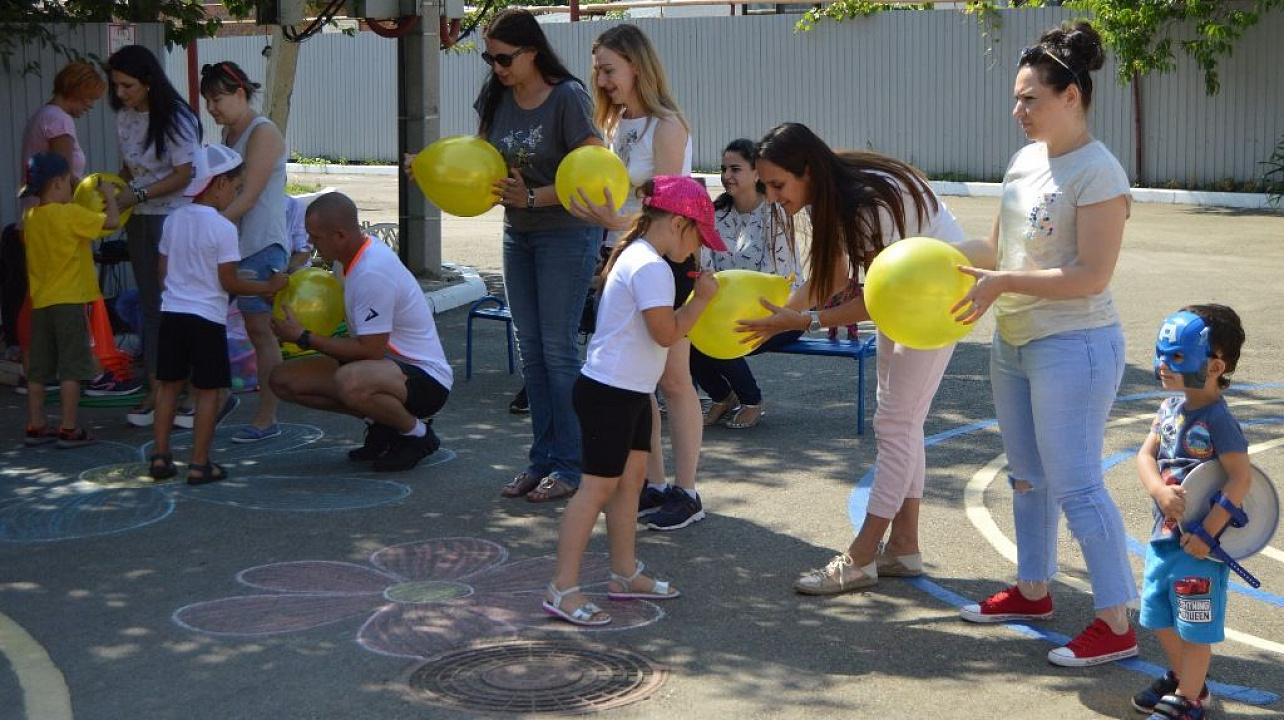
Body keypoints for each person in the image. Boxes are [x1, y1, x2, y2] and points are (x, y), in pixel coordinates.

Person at [950, 22, 1138, 667]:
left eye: (1030, 98)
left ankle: (1116, 622)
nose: (1018, 111)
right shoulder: (1026, 160)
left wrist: (1003, 280)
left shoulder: (1098, 172)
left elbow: (1092, 276)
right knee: (1028, 479)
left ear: (1071, 97)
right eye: (1017, 97)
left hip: (1076, 344)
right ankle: (1034, 590)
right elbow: (1001, 251)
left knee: (1078, 484)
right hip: (1016, 340)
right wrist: (932, 264)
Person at [736, 122, 965, 598]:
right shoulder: (835, 196)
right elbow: (831, 275)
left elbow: (873, 301)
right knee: (902, 422)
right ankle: (903, 548)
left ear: (807, 170)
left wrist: (803, 321)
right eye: (767, 187)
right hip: (914, 304)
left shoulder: (869, 203)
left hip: (937, 303)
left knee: (895, 425)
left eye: (778, 185)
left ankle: (861, 558)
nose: (774, 197)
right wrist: (781, 313)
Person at [544, 175, 720, 626]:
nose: (700, 248)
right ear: (680, 222)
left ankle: (623, 574)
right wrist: (701, 303)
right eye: (700, 234)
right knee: (597, 489)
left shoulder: (645, 257)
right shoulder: (651, 266)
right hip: (609, 393)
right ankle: (562, 588)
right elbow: (665, 333)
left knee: (631, 481)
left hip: (632, 392)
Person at [572, 23, 704, 531]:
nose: (602, 80)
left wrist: (615, 222)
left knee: (673, 379)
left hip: (667, 261)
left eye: (609, 69)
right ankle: (652, 482)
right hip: (623, 257)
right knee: (636, 381)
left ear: (636, 66)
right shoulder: (614, 126)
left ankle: (687, 491)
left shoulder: (667, 125)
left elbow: (674, 210)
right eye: (598, 71)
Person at [470, 9, 604, 502]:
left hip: (566, 233)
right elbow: (478, 159)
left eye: (504, 58)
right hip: (519, 232)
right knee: (532, 354)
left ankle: (571, 466)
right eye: (490, 58)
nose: (497, 67)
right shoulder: (497, 95)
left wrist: (531, 197)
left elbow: (590, 176)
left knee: (558, 350)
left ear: (532, 52)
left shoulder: (568, 98)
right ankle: (541, 460)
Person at [269, 192, 451, 473]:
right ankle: (385, 425)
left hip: (425, 379)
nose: (311, 245)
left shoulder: (371, 272)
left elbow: (370, 350)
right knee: (283, 380)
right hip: (386, 369)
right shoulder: (350, 258)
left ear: (340, 235)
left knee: (350, 381)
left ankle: (417, 435)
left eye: (316, 238)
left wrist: (303, 337)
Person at [1132, 305, 1249, 720]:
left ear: (1215, 366)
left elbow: (1240, 479)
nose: (1163, 364)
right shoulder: (1168, 407)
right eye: (1161, 353)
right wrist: (1159, 492)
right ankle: (1185, 677)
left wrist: (1208, 534)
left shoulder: (1220, 420)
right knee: (1157, 612)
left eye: (1177, 356)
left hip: (1200, 547)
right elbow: (1145, 456)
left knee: (1194, 624)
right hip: (1163, 537)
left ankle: (1190, 699)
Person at [147, 144, 287, 484]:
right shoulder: (223, 228)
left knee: (168, 386)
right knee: (207, 390)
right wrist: (270, 285)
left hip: (173, 313)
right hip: (206, 318)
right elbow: (228, 281)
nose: (234, 196)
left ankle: (161, 457)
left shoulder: (174, 220)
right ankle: (199, 463)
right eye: (235, 187)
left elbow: (162, 274)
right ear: (220, 183)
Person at [13, 61, 138, 396]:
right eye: (89, 98)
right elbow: (62, 173)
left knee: (38, 298)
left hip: (35, 219)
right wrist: (96, 193)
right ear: (76, 90)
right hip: (56, 223)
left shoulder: (43, 115)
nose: (91, 105)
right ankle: (90, 373)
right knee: (69, 298)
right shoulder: (58, 120)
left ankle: (36, 373)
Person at [107, 45, 202, 427]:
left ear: (148, 81)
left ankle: (197, 390)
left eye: (127, 85)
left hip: (174, 220)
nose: (120, 94)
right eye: (115, 85)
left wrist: (136, 193)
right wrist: (114, 192)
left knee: (182, 305)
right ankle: (158, 388)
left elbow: (185, 174)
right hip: (139, 218)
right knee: (151, 306)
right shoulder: (126, 116)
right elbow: (129, 168)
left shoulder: (177, 117)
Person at [200, 61, 290, 443]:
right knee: (207, 325)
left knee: (260, 331)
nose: (212, 108)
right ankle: (219, 398)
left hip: (260, 245)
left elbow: (248, 196)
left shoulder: (262, 131)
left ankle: (267, 418)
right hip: (232, 245)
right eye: (207, 100)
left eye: (218, 98)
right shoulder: (228, 131)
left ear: (240, 93)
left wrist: (205, 228)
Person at [692, 138, 802, 430]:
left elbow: (778, 278)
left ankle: (752, 401)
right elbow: (705, 267)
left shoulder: (776, 215)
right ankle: (722, 396)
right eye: (723, 168)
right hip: (723, 308)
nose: (726, 176)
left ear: (757, 173)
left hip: (780, 313)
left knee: (727, 331)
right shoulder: (715, 215)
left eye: (735, 169)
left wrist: (732, 303)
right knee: (688, 332)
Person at [19, 152, 120, 448]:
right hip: (69, 302)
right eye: (69, 182)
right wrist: (108, 195)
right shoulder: (70, 214)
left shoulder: (31, 218)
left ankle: (35, 425)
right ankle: (69, 428)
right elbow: (112, 221)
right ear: (58, 183)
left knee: (38, 370)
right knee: (73, 368)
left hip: (41, 303)